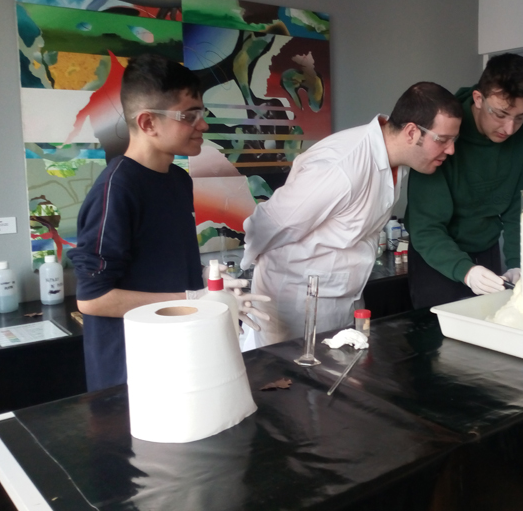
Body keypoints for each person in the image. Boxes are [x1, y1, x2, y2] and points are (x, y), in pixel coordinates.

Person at [68, 54, 267, 391]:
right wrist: (192, 298)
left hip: (181, 354)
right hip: (132, 372)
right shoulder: (117, 189)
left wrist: (209, 283)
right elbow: (92, 299)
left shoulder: (177, 179)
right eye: (189, 116)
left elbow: (163, 262)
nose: (202, 125)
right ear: (148, 123)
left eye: (201, 113)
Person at [240, 82, 462, 348]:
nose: (451, 150)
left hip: (345, 296)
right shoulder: (342, 167)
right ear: (412, 132)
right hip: (296, 304)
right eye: (443, 140)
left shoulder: (396, 162)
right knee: (291, 373)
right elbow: (267, 224)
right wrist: (248, 274)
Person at [404, 53, 523, 309]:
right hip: (437, 256)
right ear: (478, 99)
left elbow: (520, 205)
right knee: (437, 332)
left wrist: (518, 263)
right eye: (500, 114)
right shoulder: (444, 133)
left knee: (492, 324)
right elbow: (425, 227)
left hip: (486, 248)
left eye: (521, 117)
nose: (509, 129)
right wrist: (465, 271)